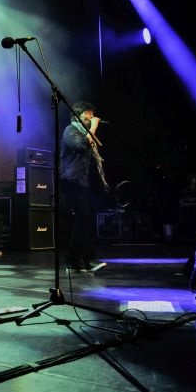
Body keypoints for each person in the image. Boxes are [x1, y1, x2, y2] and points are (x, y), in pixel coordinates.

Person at [60, 101, 109, 273]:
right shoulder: (70, 130)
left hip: (82, 181)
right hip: (71, 181)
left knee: (86, 221)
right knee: (81, 220)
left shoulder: (83, 132)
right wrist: (93, 127)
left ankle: (85, 261)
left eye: (92, 113)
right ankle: (75, 262)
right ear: (77, 115)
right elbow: (81, 146)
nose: (91, 116)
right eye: (87, 113)